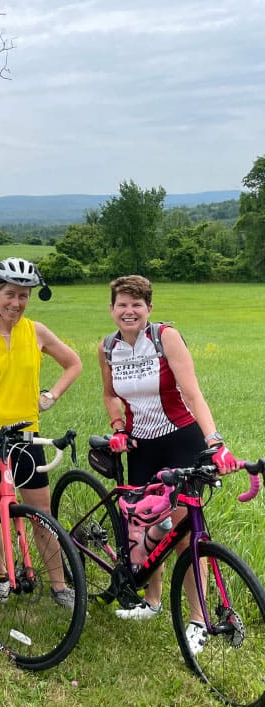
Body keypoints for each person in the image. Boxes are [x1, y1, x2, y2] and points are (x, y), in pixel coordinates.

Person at [99, 274, 238, 653]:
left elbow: (192, 391)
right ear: (112, 309)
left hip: (181, 441)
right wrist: (117, 427)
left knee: (185, 532)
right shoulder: (108, 347)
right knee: (144, 526)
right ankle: (153, 601)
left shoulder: (165, 338)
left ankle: (198, 620)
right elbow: (111, 394)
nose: (129, 311)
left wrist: (214, 443)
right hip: (141, 447)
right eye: (122, 304)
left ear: (149, 309)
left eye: (137, 304)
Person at [0, 258, 82, 607]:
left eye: (24, 296)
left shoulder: (37, 332)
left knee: (41, 515)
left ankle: (59, 585)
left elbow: (74, 363)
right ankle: (0, 576)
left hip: (26, 435)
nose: (16, 303)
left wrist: (51, 395)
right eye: (10, 294)